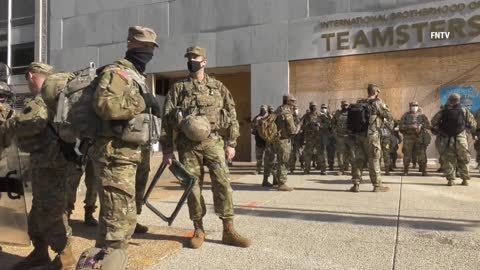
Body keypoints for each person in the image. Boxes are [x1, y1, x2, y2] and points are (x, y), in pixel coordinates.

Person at [161, 46, 251, 249]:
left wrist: (231, 143)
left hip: (213, 142)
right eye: (189, 57)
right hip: (187, 146)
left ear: (204, 61)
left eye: (195, 57)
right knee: (192, 187)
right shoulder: (178, 89)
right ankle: (198, 228)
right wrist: (167, 150)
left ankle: (228, 230)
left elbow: (231, 115)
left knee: (223, 183)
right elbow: (166, 121)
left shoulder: (218, 87)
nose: (191, 60)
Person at [91, 26, 160, 251]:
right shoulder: (116, 73)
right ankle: (106, 260)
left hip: (129, 155)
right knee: (115, 225)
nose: (147, 51)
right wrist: (143, 102)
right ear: (130, 44)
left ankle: (110, 260)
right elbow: (104, 105)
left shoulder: (136, 77)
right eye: (142, 45)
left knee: (124, 219)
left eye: (150, 47)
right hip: (114, 156)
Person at [4, 62, 76, 270]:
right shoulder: (56, 97)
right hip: (49, 162)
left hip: (50, 164)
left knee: (49, 210)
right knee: (39, 209)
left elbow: (29, 123)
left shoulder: (43, 98)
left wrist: (8, 123)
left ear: (31, 75)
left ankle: (65, 256)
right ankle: (40, 251)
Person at [349, 84, 393, 192]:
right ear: (376, 92)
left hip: (359, 135)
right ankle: (377, 186)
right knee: (374, 160)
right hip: (371, 136)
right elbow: (389, 116)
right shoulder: (377, 103)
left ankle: (356, 185)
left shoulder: (360, 103)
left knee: (358, 160)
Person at [431, 93, 477, 186]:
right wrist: (468, 131)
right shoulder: (464, 111)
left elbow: (433, 122)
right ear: (459, 100)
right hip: (461, 137)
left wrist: (439, 129)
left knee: (449, 159)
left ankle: (450, 180)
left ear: (449, 100)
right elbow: (473, 124)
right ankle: (465, 180)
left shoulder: (443, 111)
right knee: (463, 158)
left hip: (446, 138)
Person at [263, 95, 297, 191]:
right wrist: (298, 127)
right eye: (292, 101)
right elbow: (292, 129)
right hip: (283, 140)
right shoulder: (286, 111)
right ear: (287, 101)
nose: (294, 103)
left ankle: (276, 180)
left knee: (276, 160)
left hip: (275, 139)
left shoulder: (278, 110)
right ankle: (282, 183)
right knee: (283, 161)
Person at [399, 101, 431, 176]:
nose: (414, 106)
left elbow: (427, 125)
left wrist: (421, 126)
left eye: (416, 105)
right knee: (407, 154)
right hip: (408, 138)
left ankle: (423, 170)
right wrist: (409, 126)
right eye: (413, 105)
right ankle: (406, 170)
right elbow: (401, 127)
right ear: (410, 106)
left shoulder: (422, 115)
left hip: (419, 137)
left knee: (421, 154)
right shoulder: (405, 116)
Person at [65, 159, 98, 226]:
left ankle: (89, 212)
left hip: (95, 151)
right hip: (78, 151)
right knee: (72, 180)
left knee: (94, 182)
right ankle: (66, 213)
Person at [331, 101, 354, 175]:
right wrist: (335, 131)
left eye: (346, 105)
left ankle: (354, 169)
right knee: (340, 153)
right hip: (340, 136)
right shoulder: (337, 114)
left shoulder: (351, 113)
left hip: (350, 136)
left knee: (352, 153)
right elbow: (332, 123)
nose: (345, 107)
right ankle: (341, 169)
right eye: (344, 105)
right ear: (341, 106)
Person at [302, 102, 321, 174]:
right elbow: (301, 125)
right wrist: (307, 125)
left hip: (318, 137)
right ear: (309, 107)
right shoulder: (306, 116)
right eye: (312, 106)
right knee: (308, 154)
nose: (313, 107)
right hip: (309, 138)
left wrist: (320, 125)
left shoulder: (320, 115)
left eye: (314, 106)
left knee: (320, 153)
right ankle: (307, 169)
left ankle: (323, 169)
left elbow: (327, 124)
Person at [251, 105, 268, 174]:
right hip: (259, 140)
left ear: (266, 109)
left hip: (267, 140)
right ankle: (258, 169)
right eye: (262, 109)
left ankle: (267, 170)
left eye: (264, 109)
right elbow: (252, 127)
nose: (263, 110)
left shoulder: (270, 117)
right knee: (259, 156)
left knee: (268, 156)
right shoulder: (257, 118)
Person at [288, 105, 304, 173]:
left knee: (301, 153)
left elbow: (302, 126)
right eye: (294, 109)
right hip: (292, 139)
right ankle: (292, 167)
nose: (295, 110)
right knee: (292, 154)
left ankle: (302, 165)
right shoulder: (290, 117)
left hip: (299, 138)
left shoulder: (301, 117)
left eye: (296, 109)